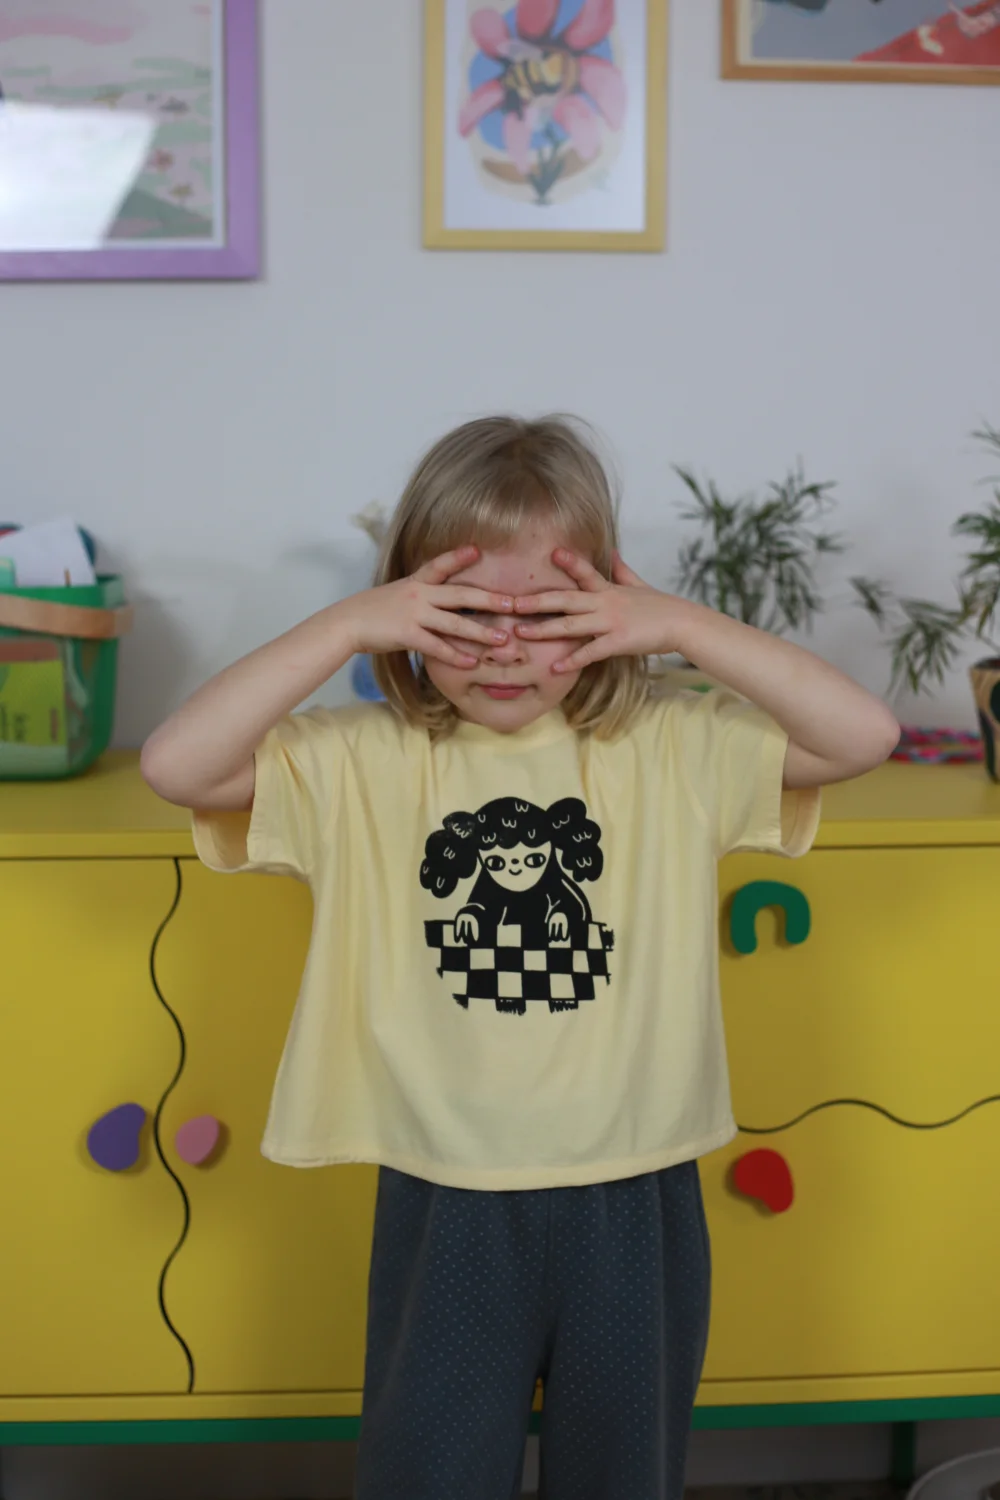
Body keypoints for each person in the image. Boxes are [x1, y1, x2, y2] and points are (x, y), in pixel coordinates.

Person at [141, 415, 899, 1500]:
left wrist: (678, 624)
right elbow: (178, 765)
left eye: (544, 616)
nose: (503, 650)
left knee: (623, 1474)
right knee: (429, 1472)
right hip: (447, 1191)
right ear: (407, 608)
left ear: (604, 607)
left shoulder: (669, 745)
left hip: (635, 1186)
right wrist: (347, 624)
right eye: (462, 615)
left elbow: (863, 736)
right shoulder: (363, 761)